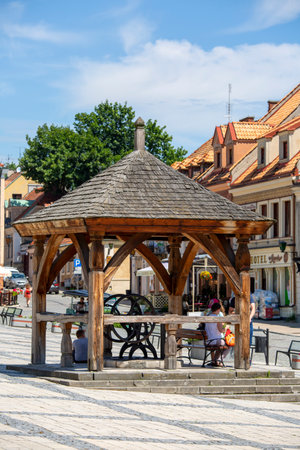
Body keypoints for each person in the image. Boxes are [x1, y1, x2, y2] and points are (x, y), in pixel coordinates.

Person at [205, 302, 230, 367]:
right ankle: (219, 360)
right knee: (229, 345)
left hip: (208, 341)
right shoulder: (217, 318)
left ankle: (215, 361)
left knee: (220, 347)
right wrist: (226, 327)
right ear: (218, 309)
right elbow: (221, 330)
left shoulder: (207, 318)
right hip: (216, 340)